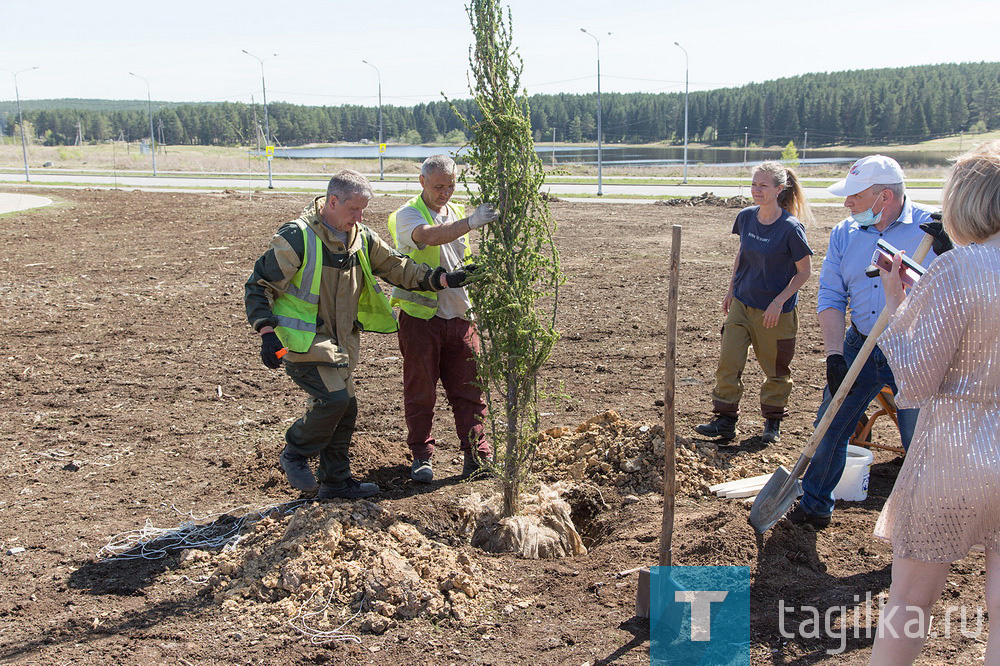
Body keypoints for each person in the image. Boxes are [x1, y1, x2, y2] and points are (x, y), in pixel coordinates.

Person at [245, 169, 474, 500]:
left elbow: (398, 267)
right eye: (354, 209)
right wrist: (266, 331)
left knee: (346, 407)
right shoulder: (297, 238)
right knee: (334, 399)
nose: (360, 216)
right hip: (302, 341)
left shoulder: (360, 238)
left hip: (341, 343)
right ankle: (295, 451)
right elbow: (258, 285)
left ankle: (335, 482)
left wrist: (442, 280)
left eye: (363, 210)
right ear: (332, 202)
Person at [869, 141, 1000, 664]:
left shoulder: (958, 268)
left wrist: (898, 304)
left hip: (954, 451)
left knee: (909, 602)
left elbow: (916, 384)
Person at [787, 155, 949, 529]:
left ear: (885, 197)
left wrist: (953, 248)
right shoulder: (845, 233)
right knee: (830, 426)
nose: (847, 204)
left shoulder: (933, 231)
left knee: (919, 439)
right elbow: (830, 295)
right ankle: (813, 507)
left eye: (854, 196)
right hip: (859, 343)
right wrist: (833, 356)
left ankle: (927, 522)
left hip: (914, 351)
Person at [387, 154, 497, 483]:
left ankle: (477, 455)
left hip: (461, 315)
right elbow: (431, 236)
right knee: (421, 391)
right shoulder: (406, 215)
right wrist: (471, 223)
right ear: (422, 181)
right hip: (421, 318)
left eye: (451, 186)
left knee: (470, 390)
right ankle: (422, 456)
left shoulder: (459, 211)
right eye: (438, 186)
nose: (445, 193)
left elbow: (457, 252)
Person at [694, 161, 814, 444]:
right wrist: (730, 289)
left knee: (775, 368)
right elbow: (742, 255)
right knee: (729, 360)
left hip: (775, 312)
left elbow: (805, 271)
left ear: (778, 189)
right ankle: (725, 420)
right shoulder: (746, 217)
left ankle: (772, 422)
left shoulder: (791, 228)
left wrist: (778, 302)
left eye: (763, 185)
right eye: (754, 184)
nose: (757, 190)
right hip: (742, 303)